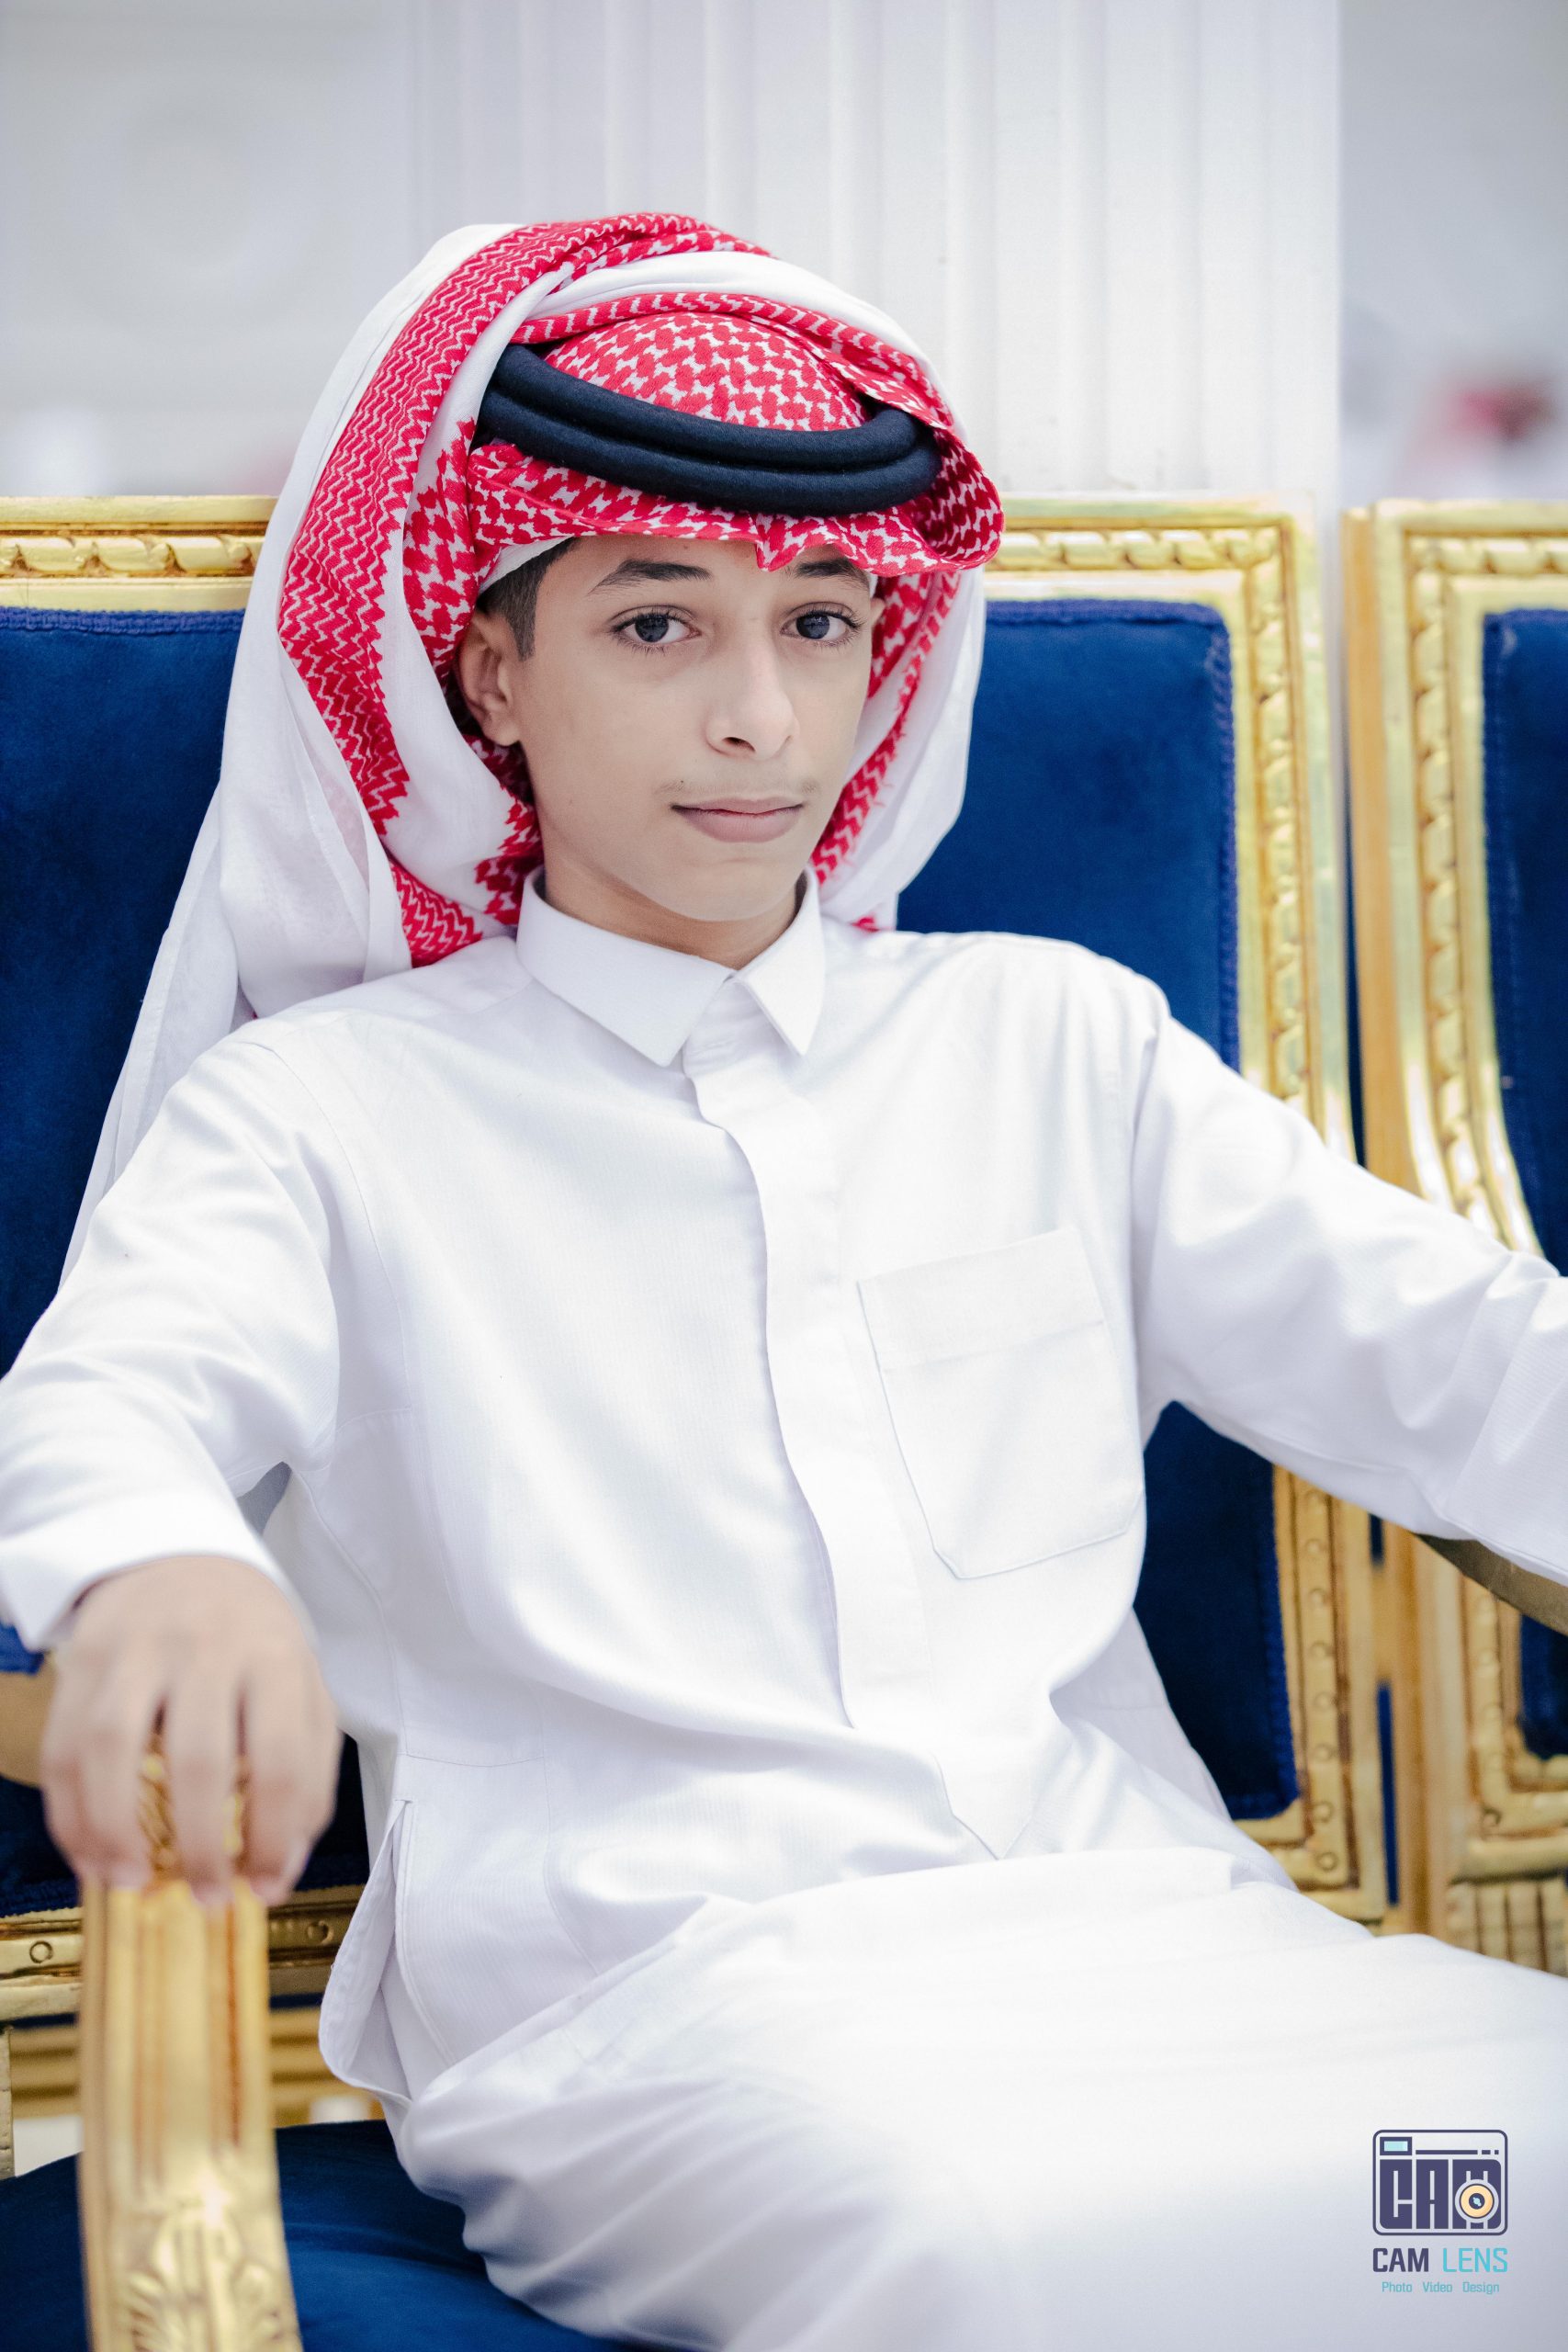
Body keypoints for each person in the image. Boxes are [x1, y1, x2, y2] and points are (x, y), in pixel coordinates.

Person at [0, 211, 1565, 2350]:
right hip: (647, 2014)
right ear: (488, 674)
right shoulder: (326, 1104)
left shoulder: (1047, 1039)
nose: (756, 717)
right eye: (657, 623)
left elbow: (1459, 1358)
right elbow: (109, 1396)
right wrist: (161, 1564)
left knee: (1514, 2180)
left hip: (1146, 1935)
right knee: (992, 2250)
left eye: (817, 623)